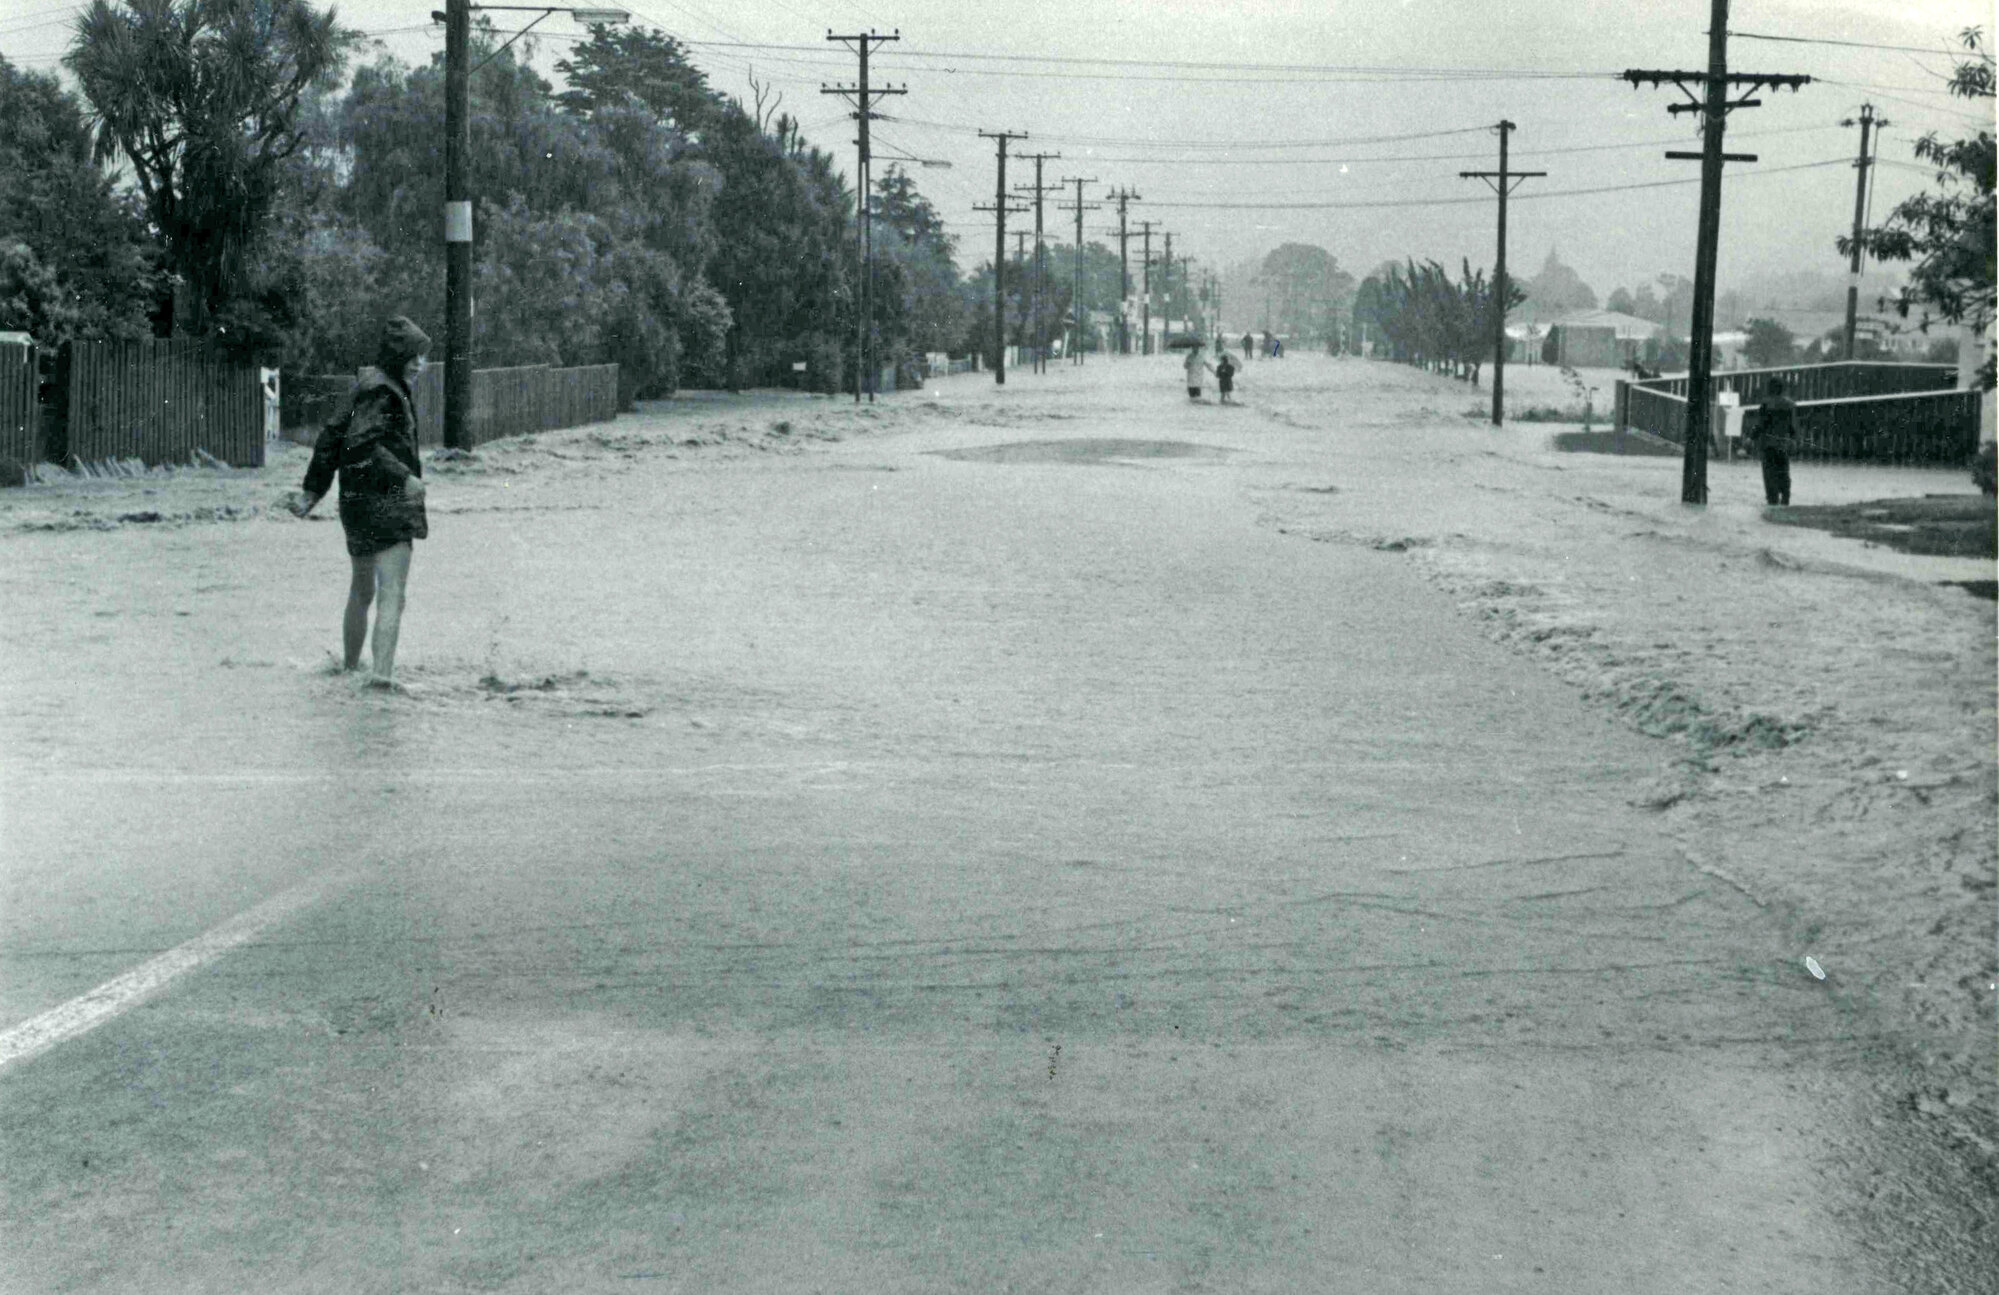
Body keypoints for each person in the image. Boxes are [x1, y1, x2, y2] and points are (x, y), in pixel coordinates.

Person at [290, 316, 432, 682]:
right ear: (395, 355)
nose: (419, 364)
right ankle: (381, 679)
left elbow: (332, 436)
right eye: (412, 356)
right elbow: (363, 444)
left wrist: (312, 492)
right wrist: (405, 478)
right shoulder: (385, 390)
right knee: (392, 593)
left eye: (422, 357)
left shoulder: (364, 385)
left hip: (354, 504)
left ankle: (350, 669)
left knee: (362, 590)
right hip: (386, 501)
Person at [1753, 377, 1796, 506]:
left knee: (1769, 473)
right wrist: (1793, 440)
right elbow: (1792, 426)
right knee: (1784, 471)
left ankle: (1772, 500)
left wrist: (1751, 437)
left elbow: (1761, 424)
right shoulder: (1790, 404)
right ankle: (1786, 497)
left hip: (1768, 445)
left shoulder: (1766, 404)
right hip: (1783, 444)